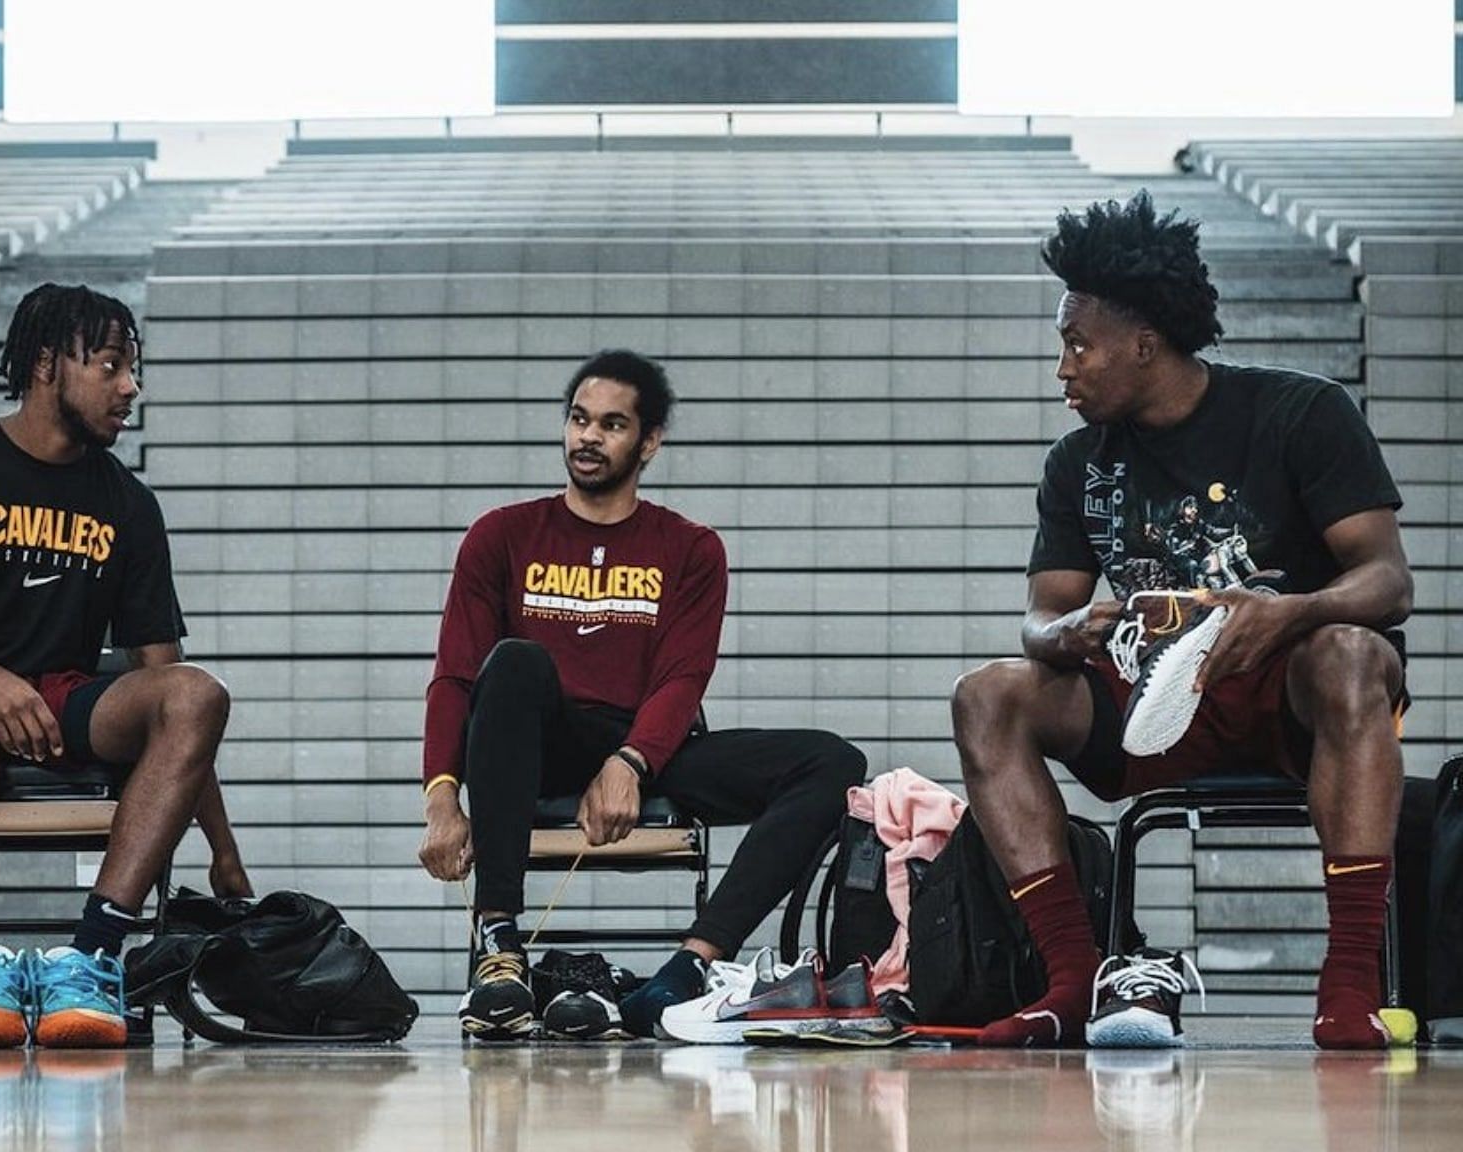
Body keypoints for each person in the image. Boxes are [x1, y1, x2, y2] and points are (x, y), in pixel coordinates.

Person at [950, 192, 1411, 1050]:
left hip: (1293, 700)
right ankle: (1072, 983)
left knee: (1350, 652)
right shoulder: (1077, 463)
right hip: (1148, 701)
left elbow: (1388, 581)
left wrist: (1289, 613)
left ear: (1144, 344)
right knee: (987, 695)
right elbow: (1040, 617)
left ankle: (1348, 984)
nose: (1064, 368)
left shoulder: (1301, 413)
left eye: (1078, 344)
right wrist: (1066, 636)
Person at [418, 349, 866, 1040]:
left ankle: (685, 972)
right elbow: (454, 676)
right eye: (578, 419)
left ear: (649, 441)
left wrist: (631, 761)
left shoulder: (690, 548)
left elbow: (684, 677)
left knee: (832, 762)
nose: (588, 437)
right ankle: (499, 948)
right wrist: (442, 799)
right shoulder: (500, 536)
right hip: (537, 746)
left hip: (649, 747)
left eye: (612, 424)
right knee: (511, 664)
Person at [0, 283, 252, 1050]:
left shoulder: (128, 506)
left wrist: (226, 855)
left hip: (62, 712)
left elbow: (176, 697)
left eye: (133, 369)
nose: (130, 387)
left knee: (198, 692)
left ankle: (90, 958)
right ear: (44, 364)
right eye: (109, 365)